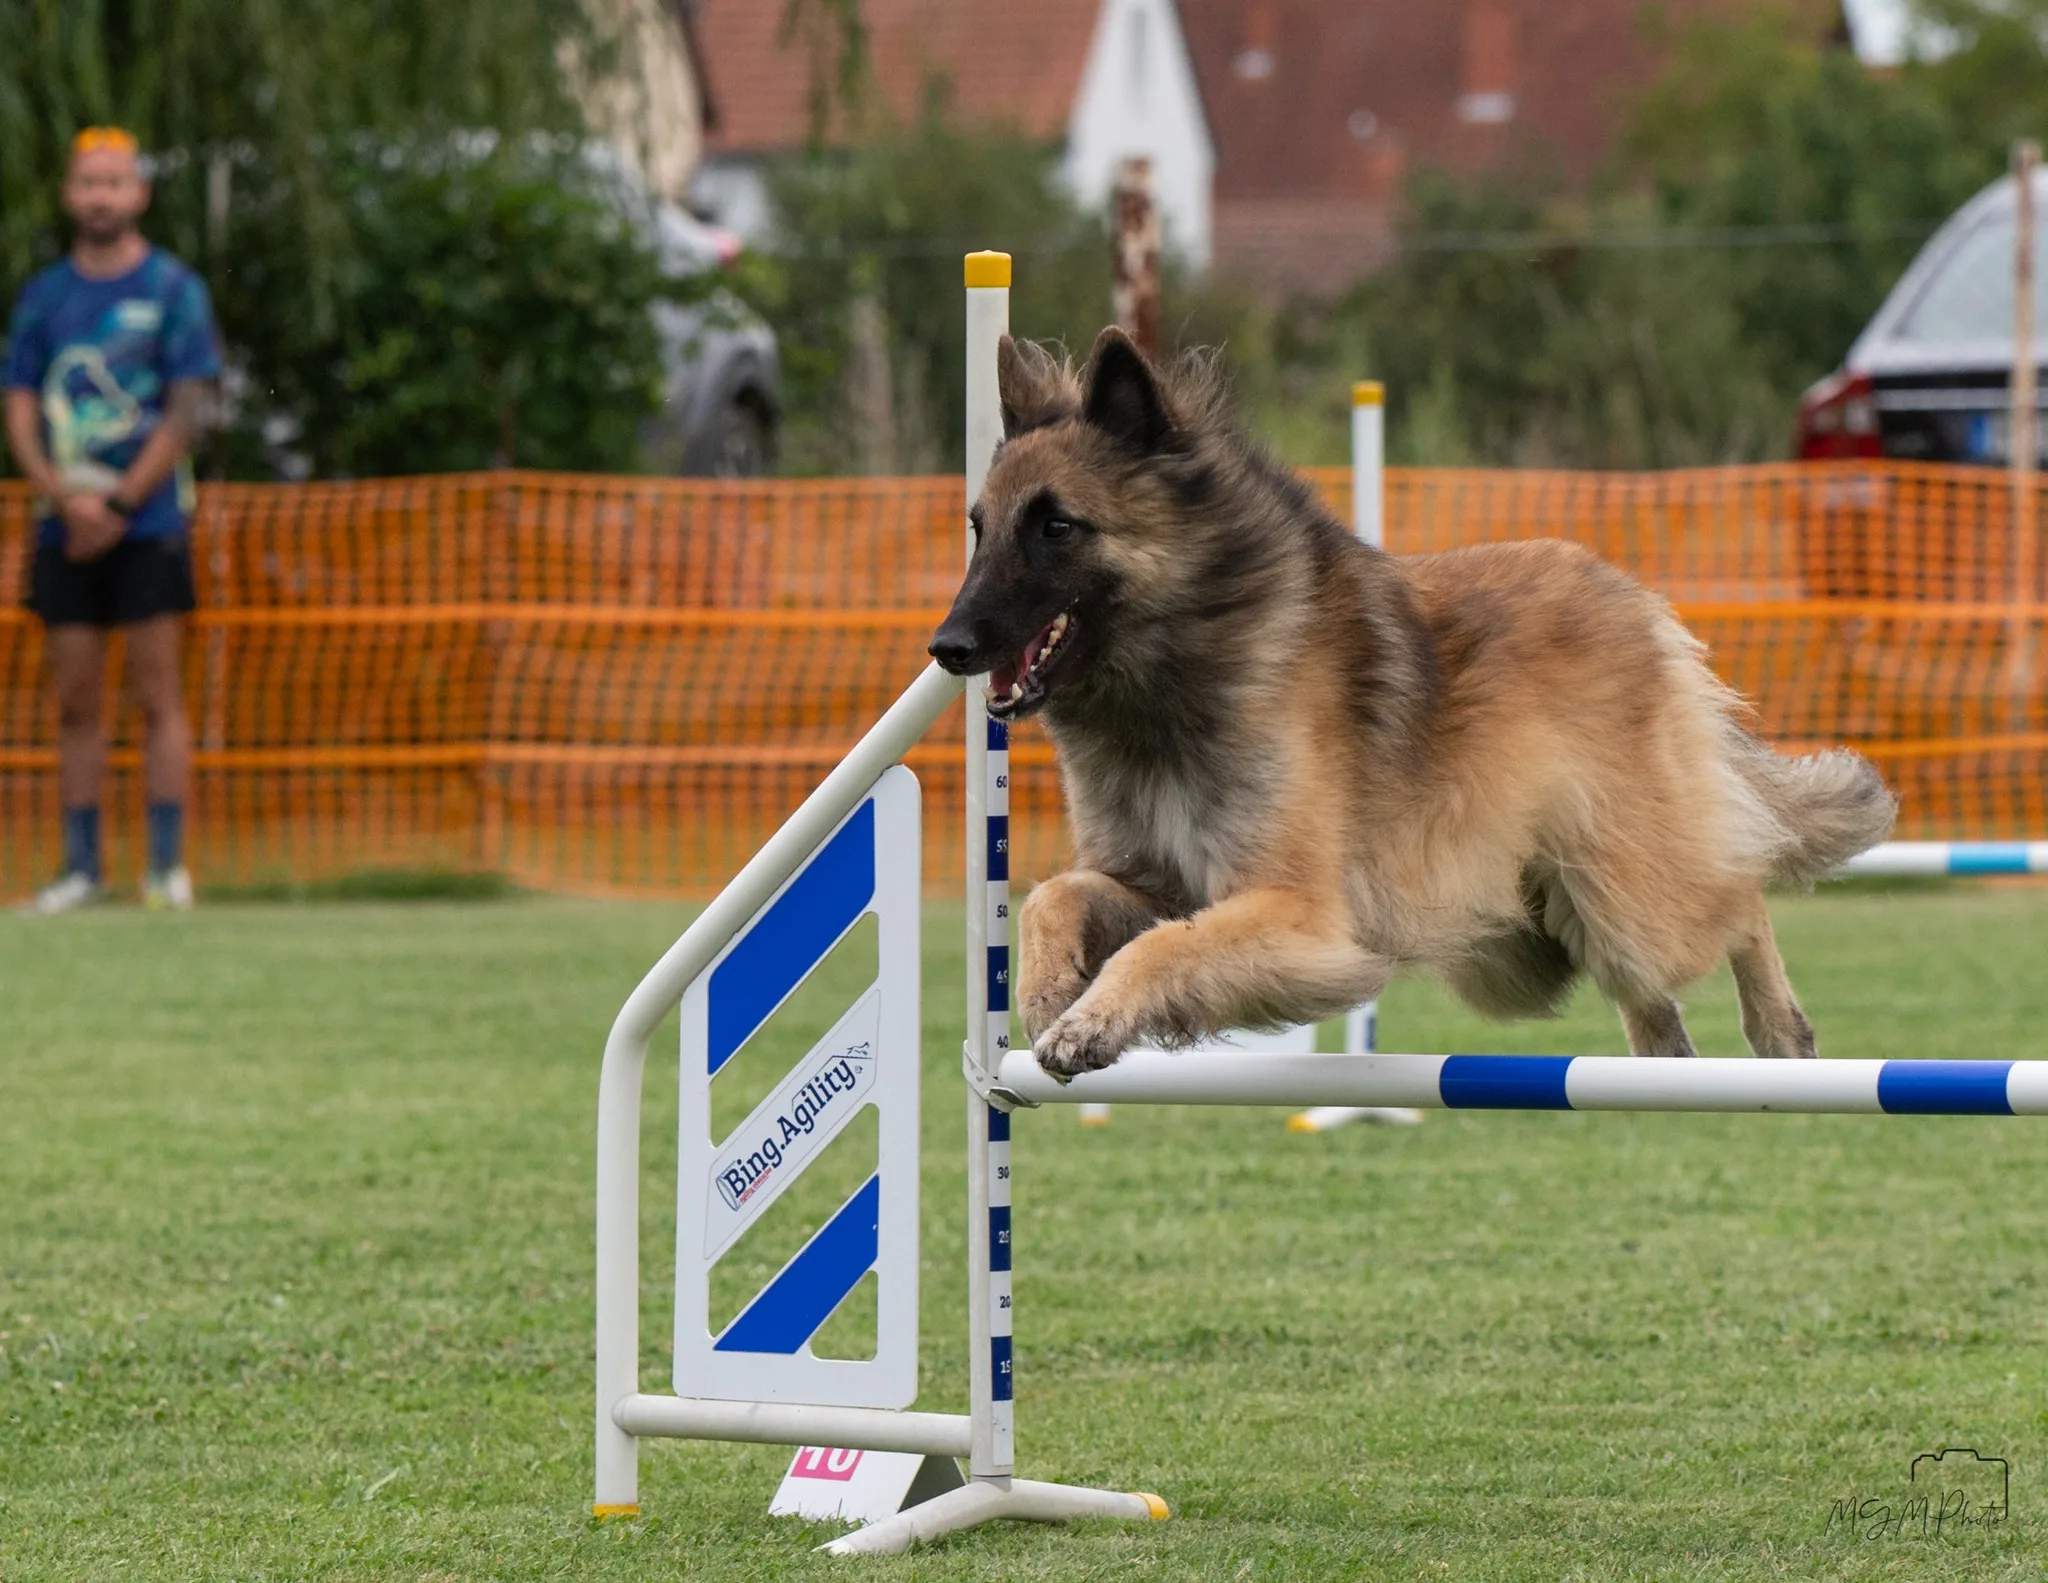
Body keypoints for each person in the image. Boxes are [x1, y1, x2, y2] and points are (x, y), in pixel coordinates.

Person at [4, 127, 220, 912]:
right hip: (67, 525)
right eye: (87, 182)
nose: (100, 196)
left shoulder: (172, 290)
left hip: (150, 522)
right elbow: (20, 404)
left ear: (139, 193)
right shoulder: (45, 298)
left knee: (159, 693)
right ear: (69, 194)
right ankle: (80, 867)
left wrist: (124, 500)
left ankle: (166, 869)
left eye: (114, 182)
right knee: (75, 701)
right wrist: (65, 496)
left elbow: (188, 406)